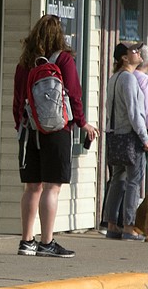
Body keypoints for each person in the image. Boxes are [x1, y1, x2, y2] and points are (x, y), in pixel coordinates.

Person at [12, 15, 97, 258]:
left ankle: (26, 241)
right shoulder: (64, 60)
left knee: (32, 187)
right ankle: (47, 242)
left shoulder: (25, 63)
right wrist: (81, 122)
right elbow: (74, 95)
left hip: (30, 131)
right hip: (57, 131)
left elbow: (18, 100)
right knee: (52, 188)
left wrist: (21, 125)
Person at [103, 42, 148, 240]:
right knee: (133, 181)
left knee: (117, 179)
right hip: (130, 137)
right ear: (124, 58)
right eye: (134, 51)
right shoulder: (129, 79)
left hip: (114, 135)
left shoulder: (114, 78)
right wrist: (145, 138)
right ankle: (129, 226)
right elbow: (134, 113)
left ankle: (112, 224)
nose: (138, 53)